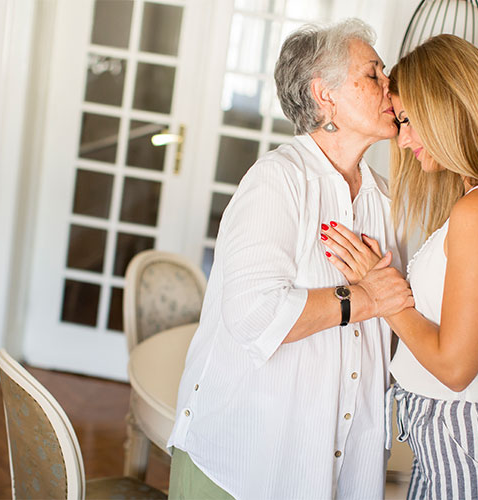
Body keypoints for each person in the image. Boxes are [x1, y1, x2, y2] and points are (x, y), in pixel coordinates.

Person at [166, 19, 413, 499]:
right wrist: (364, 299)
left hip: (338, 473)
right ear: (326, 96)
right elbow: (253, 312)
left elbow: (395, 325)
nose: (390, 85)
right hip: (241, 466)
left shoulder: (385, 202)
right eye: (373, 73)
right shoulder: (277, 181)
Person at [321, 34, 478, 499]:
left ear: (447, 108)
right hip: (456, 445)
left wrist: (381, 290)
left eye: (407, 121)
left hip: (469, 448)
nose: (403, 141)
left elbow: (455, 366)